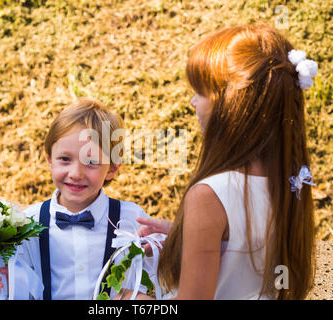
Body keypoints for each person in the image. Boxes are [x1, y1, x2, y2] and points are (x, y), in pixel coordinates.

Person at [124, 24, 318, 300]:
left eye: (200, 91)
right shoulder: (291, 182)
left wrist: (138, 301)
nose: (192, 102)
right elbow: (246, 252)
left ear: (229, 104)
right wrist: (184, 236)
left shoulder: (209, 195)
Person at [0, 97, 151, 299]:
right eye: (65, 159)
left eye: (91, 162)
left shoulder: (131, 220)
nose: (76, 173)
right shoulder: (27, 224)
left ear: (112, 168)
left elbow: (158, 277)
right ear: (49, 160)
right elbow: (17, 282)